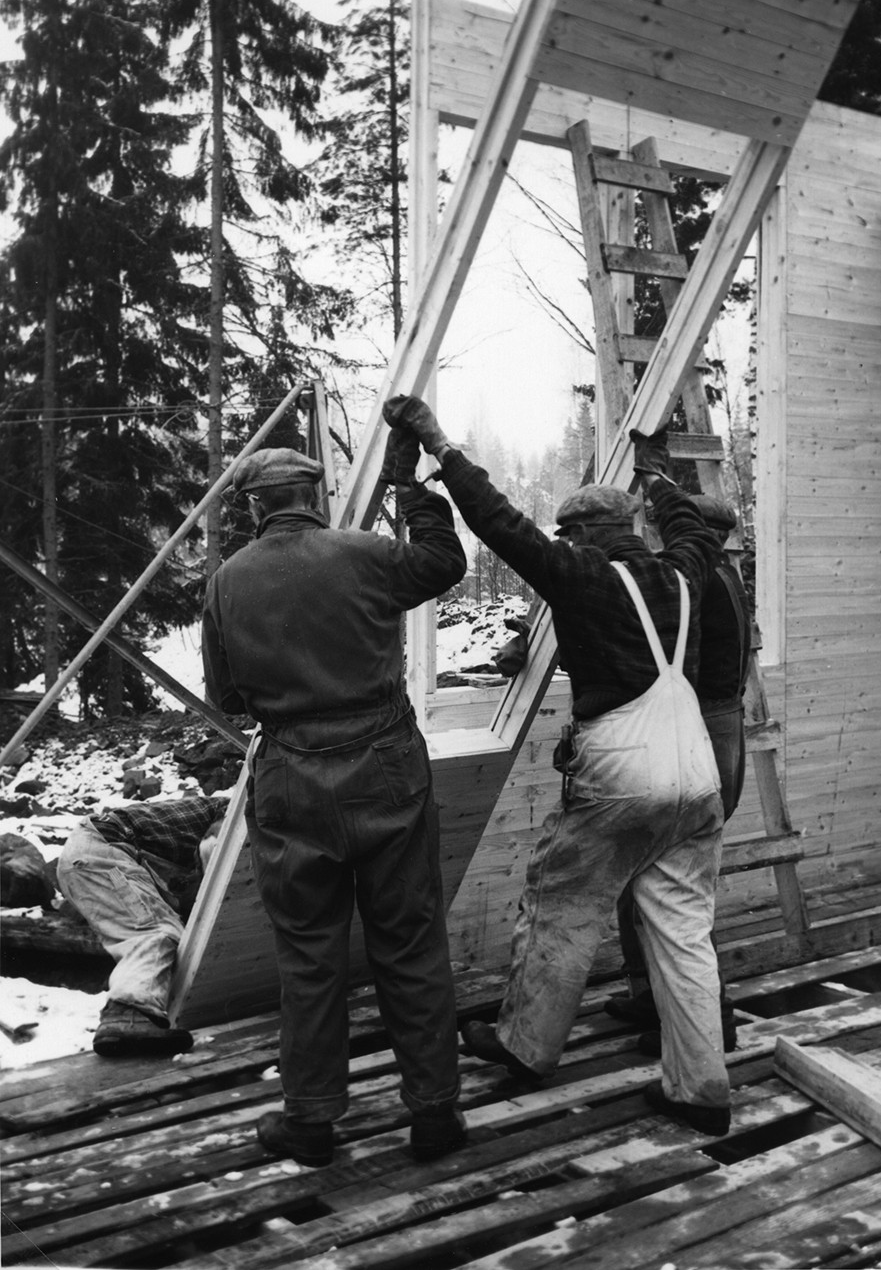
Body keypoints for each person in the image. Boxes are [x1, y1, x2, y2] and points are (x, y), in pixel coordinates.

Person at [384, 396, 732, 1137]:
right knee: (681, 933)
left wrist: (440, 445)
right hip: (694, 776)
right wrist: (660, 480)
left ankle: (525, 1047)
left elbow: (496, 521)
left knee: (561, 909)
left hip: (621, 775)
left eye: (565, 533)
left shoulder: (582, 578)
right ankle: (700, 1092)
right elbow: (691, 530)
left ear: (578, 536)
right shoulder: (684, 575)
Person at [201, 440, 469, 1168]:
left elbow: (224, 694)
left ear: (256, 506)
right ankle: (435, 1115)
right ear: (313, 496)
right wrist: (412, 490)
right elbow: (445, 562)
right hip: (385, 762)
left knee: (310, 955)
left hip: (291, 773)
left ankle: (312, 1122)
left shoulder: (227, 582)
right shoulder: (366, 554)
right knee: (410, 944)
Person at [607, 490, 754, 1047]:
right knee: (646, 877)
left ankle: (709, 1023)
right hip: (722, 730)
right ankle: (653, 1000)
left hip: (704, 734)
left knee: (677, 888)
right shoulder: (726, 576)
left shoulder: (700, 583)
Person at [57, 796, 228, 1057]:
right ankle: (127, 1016)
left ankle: (135, 1016)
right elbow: (213, 851)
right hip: (104, 854)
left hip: (93, 854)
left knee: (155, 929)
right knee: (156, 931)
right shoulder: (233, 812)